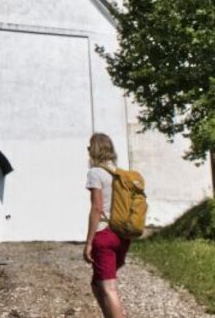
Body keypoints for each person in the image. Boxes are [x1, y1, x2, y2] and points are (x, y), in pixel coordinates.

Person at [83, 132, 129, 318]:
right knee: (97, 285)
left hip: (105, 233)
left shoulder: (95, 173)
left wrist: (89, 242)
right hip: (122, 234)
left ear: (94, 149)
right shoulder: (120, 174)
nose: (87, 151)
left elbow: (96, 208)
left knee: (109, 288)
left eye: (89, 147)